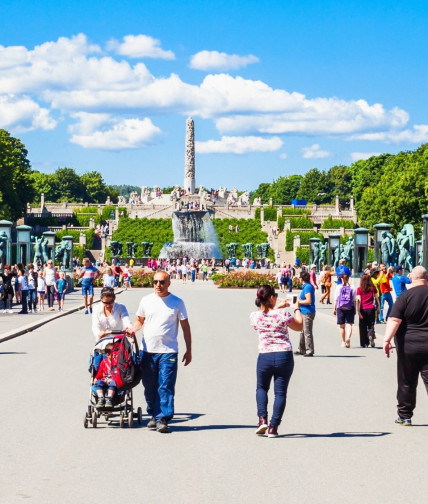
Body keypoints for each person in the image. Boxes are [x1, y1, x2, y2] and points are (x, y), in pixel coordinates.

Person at [130, 271, 192, 434]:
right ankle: (153, 413)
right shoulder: (146, 300)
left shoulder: (177, 302)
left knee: (165, 386)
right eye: (155, 282)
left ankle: (163, 418)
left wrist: (189, 349)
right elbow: (139, 320)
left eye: (162, 282)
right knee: (149, 386)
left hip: (168, 351)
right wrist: (133, 329)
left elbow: (185, 327)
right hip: (147, 351)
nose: (158, 285)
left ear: (169, 283)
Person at [250, 285, 303, 438]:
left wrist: (276, 306)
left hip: (265, 355)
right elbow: (299, 326)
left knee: (261, 388)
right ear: (272, 298)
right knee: (280, 392)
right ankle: (273, 427)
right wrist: (296, 308)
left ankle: (262, 420)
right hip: (283, 356)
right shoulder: (283, 314)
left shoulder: (254, 316)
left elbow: (266, 314)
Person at [383, 266, 428, 426]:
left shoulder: (405, 297)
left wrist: (386, 340)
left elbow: (394, 320)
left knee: (406, 381)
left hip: (407, 346)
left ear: (411, 278)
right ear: (426, 278)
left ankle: (405, 415)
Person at [295, 270, 316, 357]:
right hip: (304, 311)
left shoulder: (307, 287)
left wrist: (299, 302)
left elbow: (308, 300)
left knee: (307, 331)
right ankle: (302, 349)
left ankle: (309, 350)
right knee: (302, 331)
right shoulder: (306, 286)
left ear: (302, 278)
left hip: (307, 311)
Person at [333, 273, 356, 348]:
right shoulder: (352, 287)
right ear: (348, 278)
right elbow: (354, 299)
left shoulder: (339, 287)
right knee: (349, 324)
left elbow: (336, 299)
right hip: (350, 307)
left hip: (340, 307)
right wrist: (355, 308)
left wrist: (334, 308)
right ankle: (348, 338)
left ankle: (343, 342)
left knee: (342, 326)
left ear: (342, 279)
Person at [356, 273, 379, 348]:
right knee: (371, 324)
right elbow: (376, 298)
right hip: (371, 308)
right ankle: (370, 335)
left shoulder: (359, 289)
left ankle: (364, 343)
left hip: (363, 308)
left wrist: (358, 311)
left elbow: (359, 300)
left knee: (362, 326)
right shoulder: (373, 288)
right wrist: (378, 307)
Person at [93, 342, 116, 408]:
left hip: (113, 381)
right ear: (107, 355)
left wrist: (113, 379)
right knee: (99, 382)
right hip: (104, 380)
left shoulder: (118, 363)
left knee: (113, 383)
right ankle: (101, 398)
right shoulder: (104, 362)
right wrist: (96, 378)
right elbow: (100, 372)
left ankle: (109, 398)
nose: (115, 356)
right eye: (113, 355)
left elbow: (119, 373)